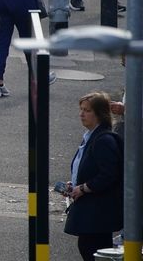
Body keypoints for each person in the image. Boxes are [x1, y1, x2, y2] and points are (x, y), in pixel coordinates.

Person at [59, 92, 123, 261]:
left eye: (87, 110)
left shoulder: (103, 140)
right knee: (89, 248)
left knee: (92, 249)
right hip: (91, 207)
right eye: (81, 109)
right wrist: (74, 183)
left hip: (99, 210)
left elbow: (109, 174)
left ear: (99, 114)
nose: (81, 114)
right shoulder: (90, 137)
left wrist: (84, 187)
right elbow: (88, 167)